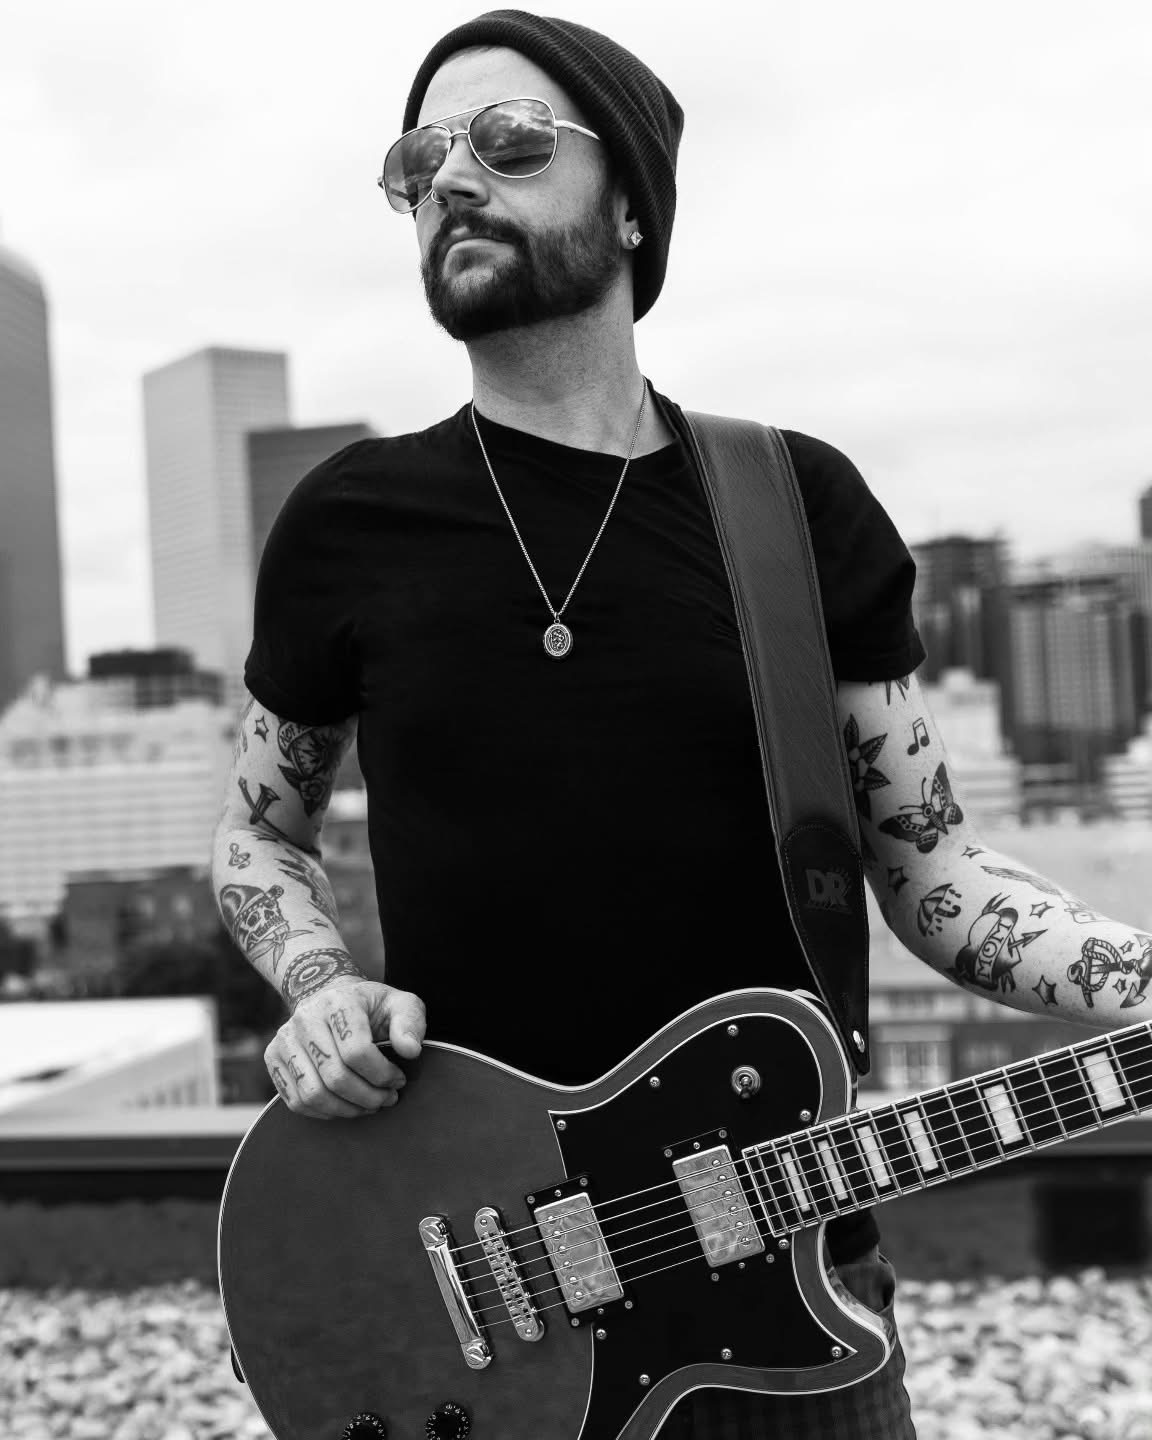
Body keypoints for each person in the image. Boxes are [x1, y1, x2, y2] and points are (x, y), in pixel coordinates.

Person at [212, 12, 1148, 1437]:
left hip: (794, 1295)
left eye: (511, 141)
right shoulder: (349, 521)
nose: (452, 178)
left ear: (634, 203)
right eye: (420, 159)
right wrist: (319, 988)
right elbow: (258, 835)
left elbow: (937, 874)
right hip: (478, 1296)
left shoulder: (799, 508)